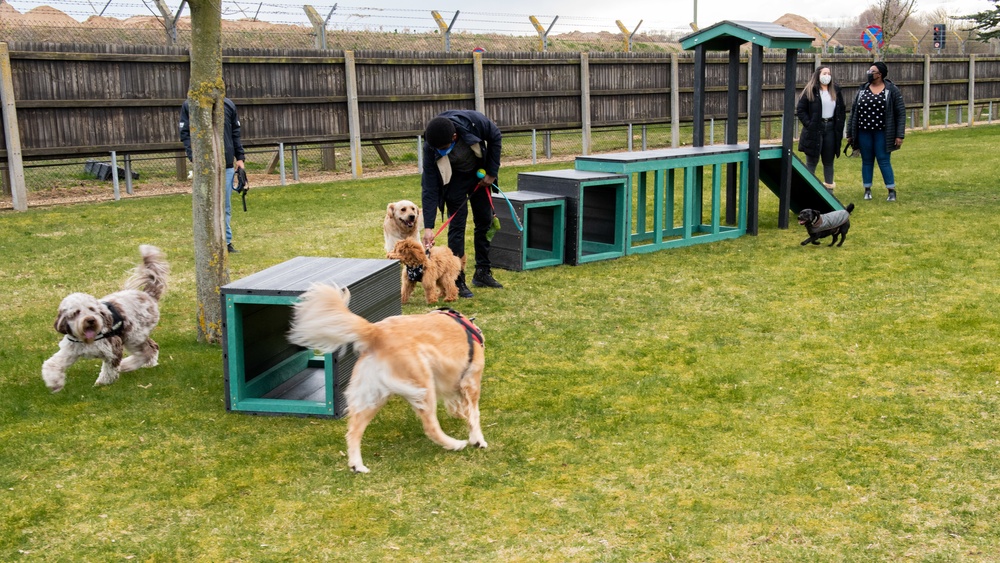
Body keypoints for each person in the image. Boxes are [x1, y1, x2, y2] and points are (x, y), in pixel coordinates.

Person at [421, 110, 503, 298]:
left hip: (478, 175)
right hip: (454, 181)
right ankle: (457, 280)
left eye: (444, 148)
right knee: (457, 226)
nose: (440, 152)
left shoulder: (474, 122)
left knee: (484, 220)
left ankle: (483, 272)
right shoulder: (431, 145)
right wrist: (428, 227)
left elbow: (496, 136)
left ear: (455, 137)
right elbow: (429, 187)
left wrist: (491, 172)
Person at [179, 97, 246, 252]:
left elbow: (235, 133)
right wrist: (194, 157)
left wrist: (240, 158)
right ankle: (207, 242)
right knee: (206, 205)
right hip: (204, 164)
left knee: (224, 205)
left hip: (227, 163)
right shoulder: (190, 105)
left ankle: (226, 242)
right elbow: (185, 134)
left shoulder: (228, 105)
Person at [845, 61, 905, 202]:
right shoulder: (862, 90)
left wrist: (899, 135)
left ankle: (891, 190)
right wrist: (850, 133)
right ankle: (867, 190)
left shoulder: (892, 90)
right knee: (867, 161)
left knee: (883, 160)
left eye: (872, 71)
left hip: (882, 133)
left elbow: (901, 113)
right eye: (869, 71)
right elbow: (853, 112)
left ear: (880, 74)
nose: (869, 74)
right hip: (864, 132)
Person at [796, 66, 846, 193]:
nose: (827, 76)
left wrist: (839, 126)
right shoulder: (810, 91)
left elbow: (841, 110)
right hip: (814, 130)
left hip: (830, 128)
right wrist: (809, 124)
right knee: (812, 161)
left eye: (829, 73)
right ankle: (808, 191)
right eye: (824, 73)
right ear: (818, 75)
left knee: (828, 162)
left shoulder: (836, 91)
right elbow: (801, 110)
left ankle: (829, 191)